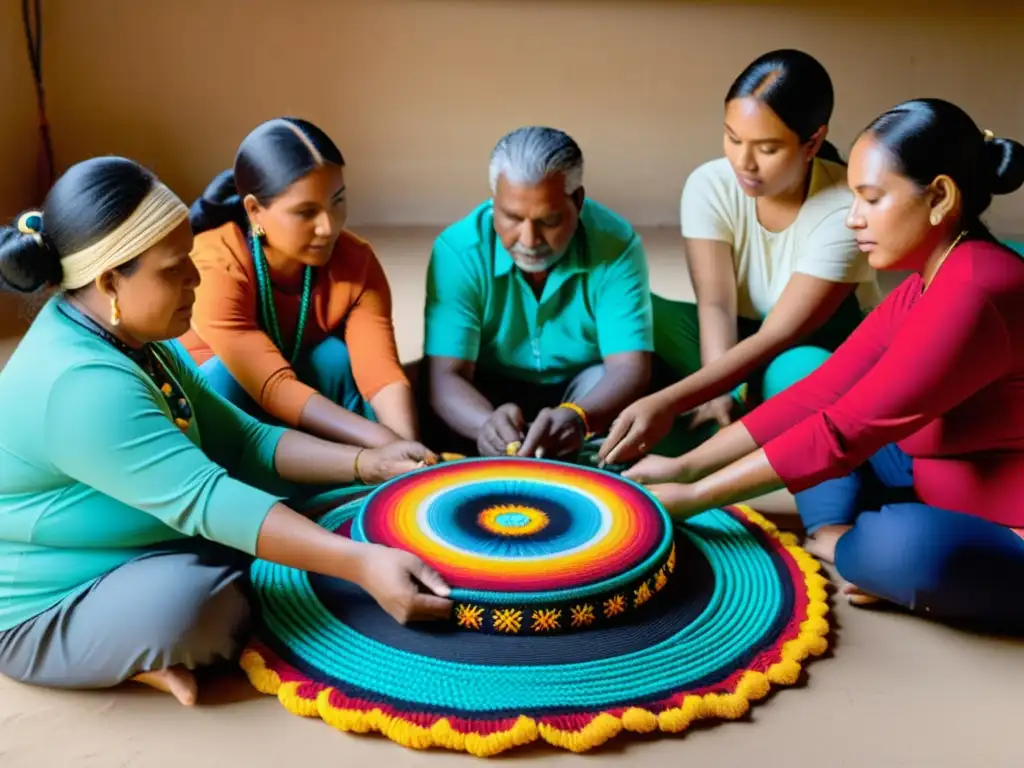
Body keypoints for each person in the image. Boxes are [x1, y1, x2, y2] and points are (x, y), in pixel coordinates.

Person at [0, 157, 452, 706]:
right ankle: (111, 652)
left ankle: (140, 634)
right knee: (204, 607)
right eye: (174, 270)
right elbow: (209, 497)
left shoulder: (135, 337)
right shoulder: (81, 386)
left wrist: (366, 463)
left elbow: (243, 439)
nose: (196, 279)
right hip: (52, 598)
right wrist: (360, 564)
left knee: (298, 517)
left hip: (138, 536)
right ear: (110, 280)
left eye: (190, 259)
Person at [624, 99, 1024, 633]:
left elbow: (843, 432)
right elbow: (825, 390)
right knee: (800, 369)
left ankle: (857, 545)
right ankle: (838, 530)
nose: (853, 217)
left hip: (1004, 525)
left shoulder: (975, 290)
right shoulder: (933, 274)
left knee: (895, 545)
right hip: (928, 464)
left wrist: (694, 499)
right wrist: (685, 466)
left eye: (871, 198)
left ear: (941, 197)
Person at [599, 50, 880, 466]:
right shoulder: (710, 184)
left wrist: (670, 399)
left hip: (809, 344)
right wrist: (718, 392)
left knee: (801, 375)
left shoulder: (845, 209)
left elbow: (777, 336)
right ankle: (733, 417)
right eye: (733, 138)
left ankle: (746, 437)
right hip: (738, 334)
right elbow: (715, 303)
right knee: (633, 313)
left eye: (767, 148)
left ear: (813, 143)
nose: (743, 163)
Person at [420, 126, 654, 461]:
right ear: (493, 202)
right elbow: (446, 377)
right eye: (512, 217)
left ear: (578, 201)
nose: (529, 240)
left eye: (549, 220)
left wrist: (579, 416)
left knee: (611, 388)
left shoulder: (617, 244)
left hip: (584, 390)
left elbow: (629, 367)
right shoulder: (457, 251)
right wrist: (485, 424)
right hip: (488, 391)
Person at [182, 117, 417, 448]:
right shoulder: (216, 262)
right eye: (306, 212)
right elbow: (272, 385)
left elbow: (381, 375)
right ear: (254, 210)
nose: (328, 227)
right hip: (226, 409)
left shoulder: (355, 261)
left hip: (299, 401)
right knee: (224, 378)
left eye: (338, 201)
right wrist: (383, 442)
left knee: (333, 359)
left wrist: (410, 451)